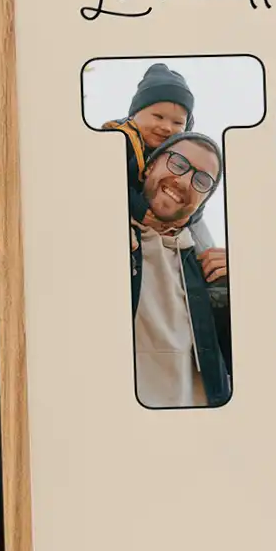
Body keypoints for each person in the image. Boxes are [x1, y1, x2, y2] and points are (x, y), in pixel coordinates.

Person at [128, 128, 230, 408]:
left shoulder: (203, 263)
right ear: (149, 167)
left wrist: (244, 280)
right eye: (178, 163)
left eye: (202, 181)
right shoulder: (105, 231)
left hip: (198, 418)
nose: (184, 181)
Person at [102, 60, 195, 219]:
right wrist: (138, 208)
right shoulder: (120, 140)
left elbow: (198, 192)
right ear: (134, 115)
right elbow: (106, 180)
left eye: (177, 123)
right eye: (158, 117)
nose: (167, 127)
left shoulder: (177, 154)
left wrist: (188, 217)